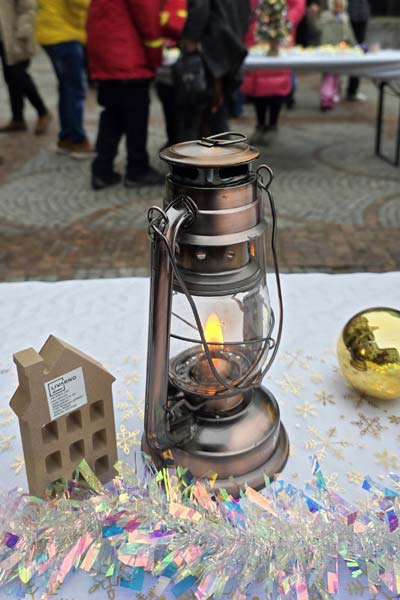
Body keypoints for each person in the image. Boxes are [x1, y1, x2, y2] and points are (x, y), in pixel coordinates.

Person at [87, 0, 164, 190]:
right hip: (129, 57)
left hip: (105, 57)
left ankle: (101, 169)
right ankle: (137, 169)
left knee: (112, 115)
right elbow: (148, 17)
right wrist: (156, 57)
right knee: (135, 118)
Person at [242, 0, 305, 146]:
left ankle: (272, 124)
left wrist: (284, 20)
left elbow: (298, 6)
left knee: (276, 83)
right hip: (257, 36)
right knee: (258, 86)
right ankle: (260, 124)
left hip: (278, 37)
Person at [36, 0, 92, 157]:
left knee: (67, 88)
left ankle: (67, 137)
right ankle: (76, 139)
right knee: (75, 89)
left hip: (53, 30)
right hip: (64, 34)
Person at [0, 0, 51, 135]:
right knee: (10, 77)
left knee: (18, 74)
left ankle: (43, 112)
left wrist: (23, 31)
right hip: (4, 38)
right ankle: (18, 119)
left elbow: (29, 8)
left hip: (15, 37)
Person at [319, 0, 356, 111]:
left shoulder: (344, 19)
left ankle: (332, 96)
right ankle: (326, 99)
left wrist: (356, 46)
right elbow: (318, 29)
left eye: (340, 6)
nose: (338, 9)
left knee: (336, 76)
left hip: (340, 51)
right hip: (327, 51)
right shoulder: (326, 17)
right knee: (328, 76)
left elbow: (350, 35)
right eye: (336, 6)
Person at [346, 0, 370, 101]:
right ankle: (332, 90)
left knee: (358, 53)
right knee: (338, 51)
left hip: (361, 15)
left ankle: (352, 90)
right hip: (346, 15)